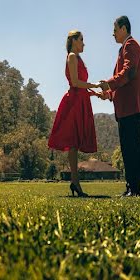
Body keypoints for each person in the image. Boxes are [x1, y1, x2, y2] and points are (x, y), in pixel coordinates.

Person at [47, 30, 104, 197]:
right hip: (73, 103)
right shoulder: (71, 56)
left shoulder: (79, 58)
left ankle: (75, 182)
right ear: (73, 41)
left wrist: (95, 93)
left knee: (76, 143)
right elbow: (75, 82)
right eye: (81, 40)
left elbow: (82, 86)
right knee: (73, 142)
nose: (84, 43)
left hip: (81, 101)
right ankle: (75, 182)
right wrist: (94, 86)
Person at [99, 15, 140, 197]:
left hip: (132, 106)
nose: (112, 33)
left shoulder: (131, 45)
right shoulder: (124, 49)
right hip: (126, 107)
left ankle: (134, 189)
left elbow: (129, 72)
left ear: (124, 29)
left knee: (132, 149)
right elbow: (124, 79)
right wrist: (108, 94)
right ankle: (131, 187)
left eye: (114, 29)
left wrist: (109, 83)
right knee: (127, 149)